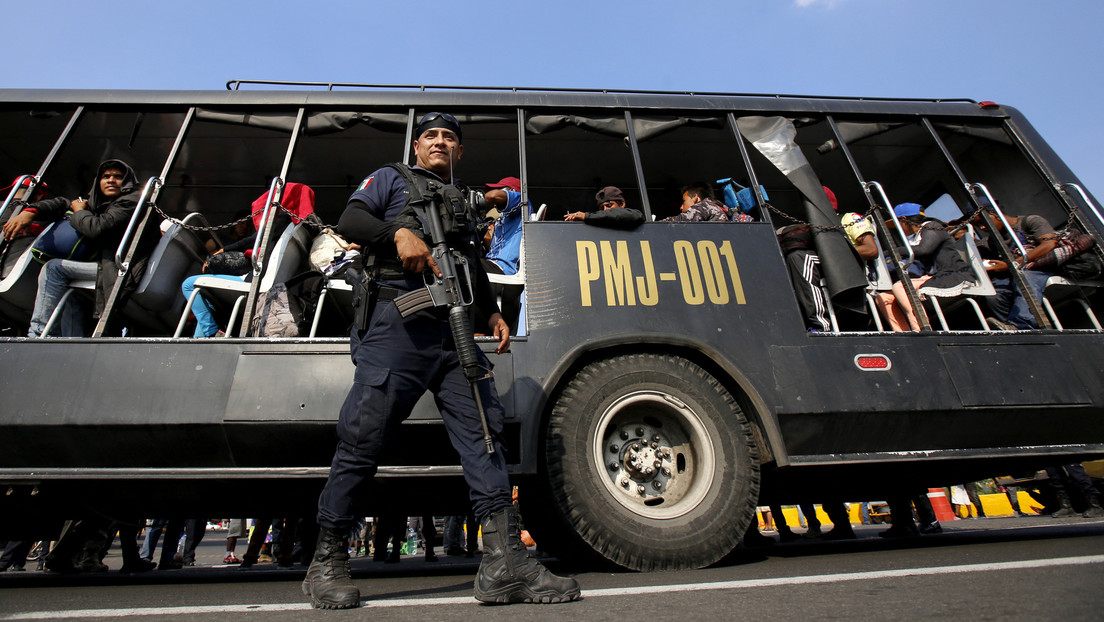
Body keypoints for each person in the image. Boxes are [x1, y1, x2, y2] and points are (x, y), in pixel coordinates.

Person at [303, 112, 580, 609]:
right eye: (430, 135)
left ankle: (505, 564)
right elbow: (350, 220)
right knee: (363, 437)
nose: (439, 142)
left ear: (459, 151)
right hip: (397, 326)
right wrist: (397, 235)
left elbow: (471, 259)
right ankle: (328, 559)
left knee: (485, 437)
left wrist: (492, 312)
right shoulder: (390, 178)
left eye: (449, 137)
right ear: (417, 147)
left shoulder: (464, 201)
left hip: (455, 332)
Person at [16, 160, 144, 337]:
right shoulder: (99, 203)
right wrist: (31, 211)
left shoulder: (131, 202)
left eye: (118, 177)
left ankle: (37, 334)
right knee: (70, 282)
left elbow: (98, 228)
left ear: (128, 182)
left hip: (120, 269)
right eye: (106, 176)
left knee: (53, 269)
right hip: (105, 266)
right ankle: (70, 339)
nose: (111, 180)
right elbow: (63, 203)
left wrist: (79, 212)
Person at [874, 203, 975, 332]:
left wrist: (893, 251)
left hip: (950, 274)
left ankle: (921, 329)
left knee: (900, 287)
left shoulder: (932, 227)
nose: (897, 228)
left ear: (904, 220)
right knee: (883, 298)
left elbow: (924, 250)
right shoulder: (914, 239)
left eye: (897, 224)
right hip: (928, 277)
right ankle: (904, 333)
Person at [973, 207, 1058, 331]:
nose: (982, 228)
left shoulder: (1031, 221)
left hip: (1041, 267)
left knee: (1025, 277)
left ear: (994, 213)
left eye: (981, 222)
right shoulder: (993, 240)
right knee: (993, 294)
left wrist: (1010, 265)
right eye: (977, 226)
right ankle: (1010, 328)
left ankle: (1021, 324)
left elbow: (1050, 244)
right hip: (1015, 272)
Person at [565, 186, 646, 228]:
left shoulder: (635, 214)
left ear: (622, 204)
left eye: (609, 205)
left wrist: (585, 216)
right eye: (602, 208)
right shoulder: (599, 223)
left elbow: (632, 216)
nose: (605, 210)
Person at [661, 182, 729, 222]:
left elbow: (682, 220)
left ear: (695, 197)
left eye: (684, 201)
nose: (681, 207)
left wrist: (653, 225)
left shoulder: (704, 206)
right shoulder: (718, 207)